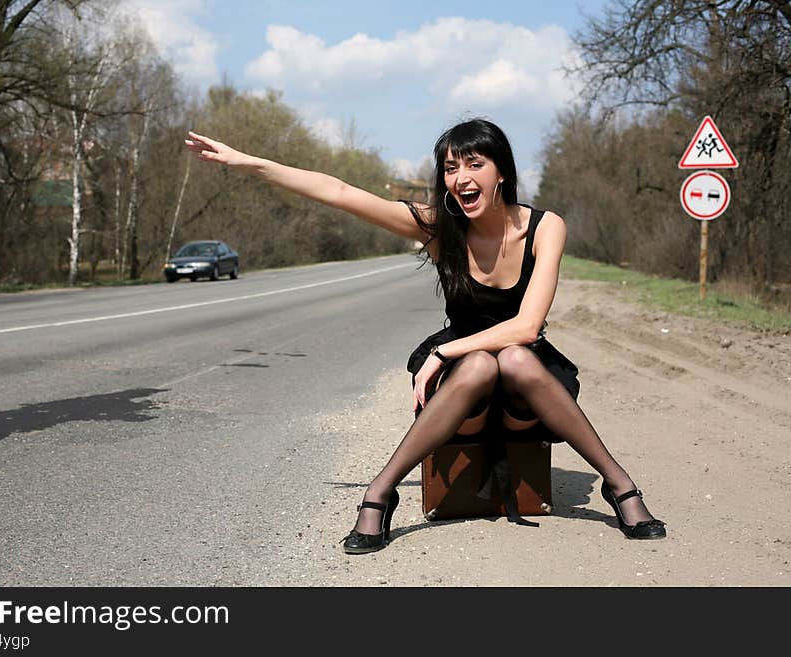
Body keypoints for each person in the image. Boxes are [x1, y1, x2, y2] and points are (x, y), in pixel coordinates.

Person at [184, 118, 666, 553]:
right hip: (465, 388)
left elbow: (526, 327)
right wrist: (250, 163)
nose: (460, 179)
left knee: (515, 356)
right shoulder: (439, 229)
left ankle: (618, 484)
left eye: (474, 164)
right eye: (450, 169)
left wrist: (442, 349)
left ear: (502, 172)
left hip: (526, 385)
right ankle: (381, 492)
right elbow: (340, 192)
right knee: (481, 364)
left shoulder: (545, 227)